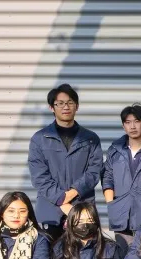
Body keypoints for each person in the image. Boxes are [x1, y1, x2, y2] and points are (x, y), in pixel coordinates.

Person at [28, 83, 103, 239]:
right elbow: (39, 176)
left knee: (85, 252)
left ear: (77, 106)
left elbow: (94, 171)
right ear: (51, 107)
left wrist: (72, 193)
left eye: (70, 102)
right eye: (60, 103)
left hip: (82, 209)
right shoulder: (39, 139)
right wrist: (62, 200)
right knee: (50, 252)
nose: (66, 107)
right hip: (50, 210)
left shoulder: (90, 138)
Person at [103, 104, 141, 249]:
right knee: (123, 256)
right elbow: (107, 178)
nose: (132, 126)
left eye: (137, 121)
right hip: (121, 215)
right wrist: (111, 204)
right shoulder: (115, 150)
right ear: (123, 126)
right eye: (128, 122)